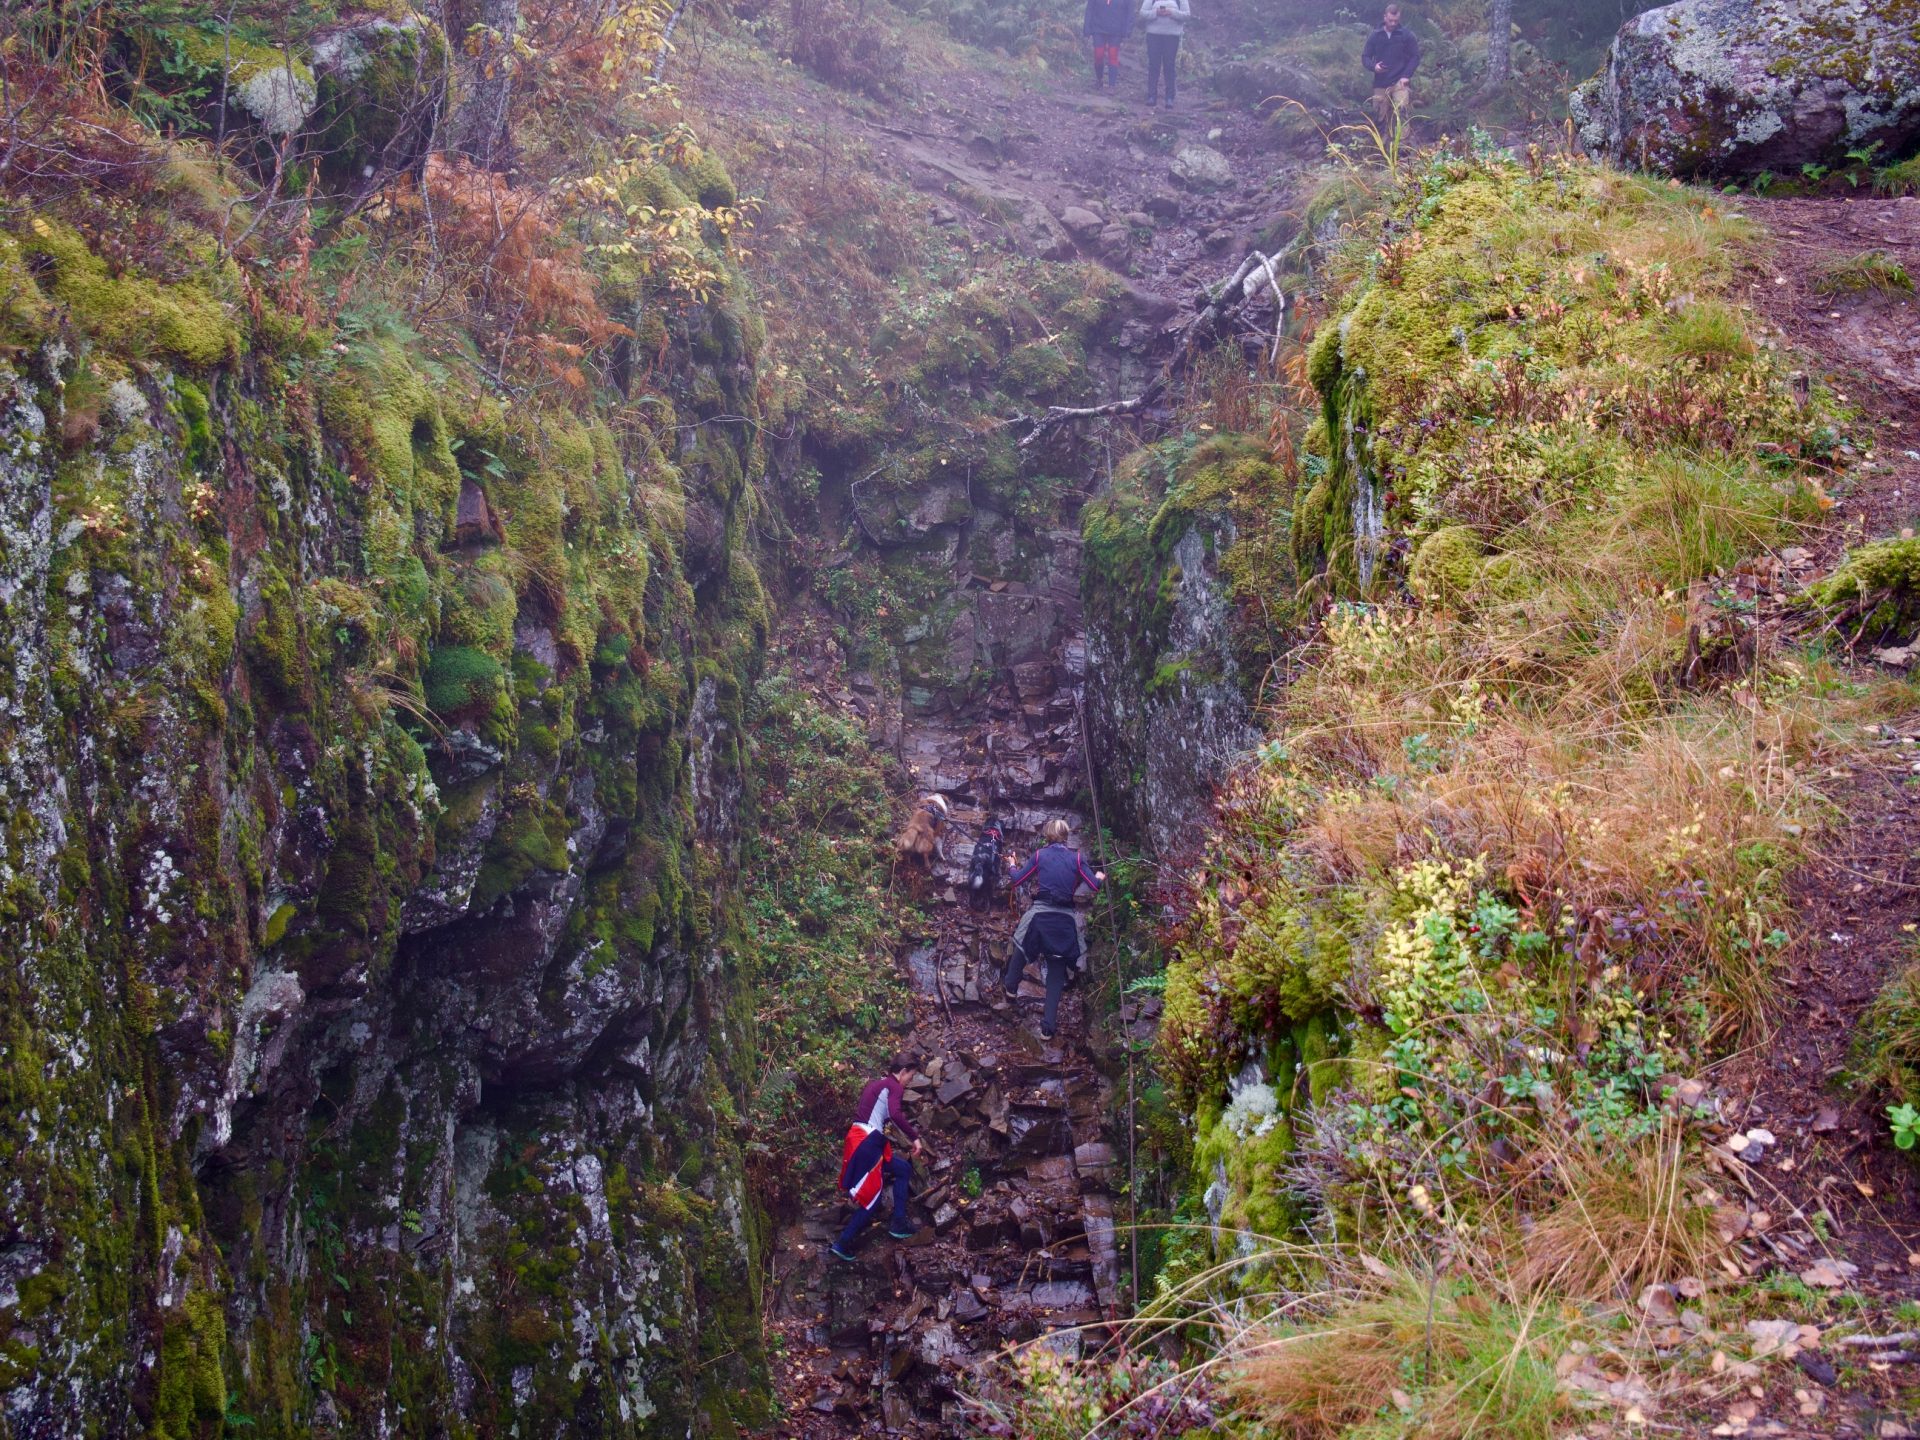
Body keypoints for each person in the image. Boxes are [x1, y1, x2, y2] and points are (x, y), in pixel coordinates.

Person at [1002, 819, 1105, 1041]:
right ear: (1066, 836)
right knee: (1056, 973)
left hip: (1040, 914)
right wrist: (1099, 877)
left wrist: (1011, 864)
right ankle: (1048, 1028)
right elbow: (1094, 886)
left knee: (1020, 942)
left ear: (1048, 835)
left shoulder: (1040, 855)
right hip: (1064, 920)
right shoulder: (1077, 858)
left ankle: (1010, 986)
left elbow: (1018, 880)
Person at [830, 1055, 925, 1262]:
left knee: (902, 1169)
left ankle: (899, 1220)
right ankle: (842, 1243)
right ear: (903, 1071)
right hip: (867, 1142)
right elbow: (895, 1113)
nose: (910, 1080)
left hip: (858, 1140)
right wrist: (915, 1138)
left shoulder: (878, 1084)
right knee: (871, 1200)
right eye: (911, 1075)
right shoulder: (894, 1086)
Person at [1361, 4, 1420, 128]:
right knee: (1378, 117)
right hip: (1380, 82)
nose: (1393, 23)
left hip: (1400, 82)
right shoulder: (1375, 36)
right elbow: (1365, 57)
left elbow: (1415, 57)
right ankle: (1380, 144)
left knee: (1402, 115)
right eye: (1390, 20)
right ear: (1384, 17)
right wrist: (1374, 67)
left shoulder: (1406, 35)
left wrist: (1406, 76)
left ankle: (1403, 144)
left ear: (1399, 19)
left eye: (1396, 21)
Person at [1137, 0, 1189, 111]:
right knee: (1153, 65)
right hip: (1153, 35)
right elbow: (1142, 13)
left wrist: (1171, 12)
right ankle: (1151, 96)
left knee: (1169, 66)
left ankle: (1169, 97)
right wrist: (1156, 13)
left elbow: (1186, 15)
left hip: (1172, 36)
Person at [1083, 0, 1133, 92]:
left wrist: (1128, 30)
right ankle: (1099, 79)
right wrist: (1087, 28)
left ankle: (1112, 85)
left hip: (1116, 30)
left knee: (1113, 56)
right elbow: (1089, 9)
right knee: (1098, 55)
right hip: (1098, 28)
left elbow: (1129, 12)